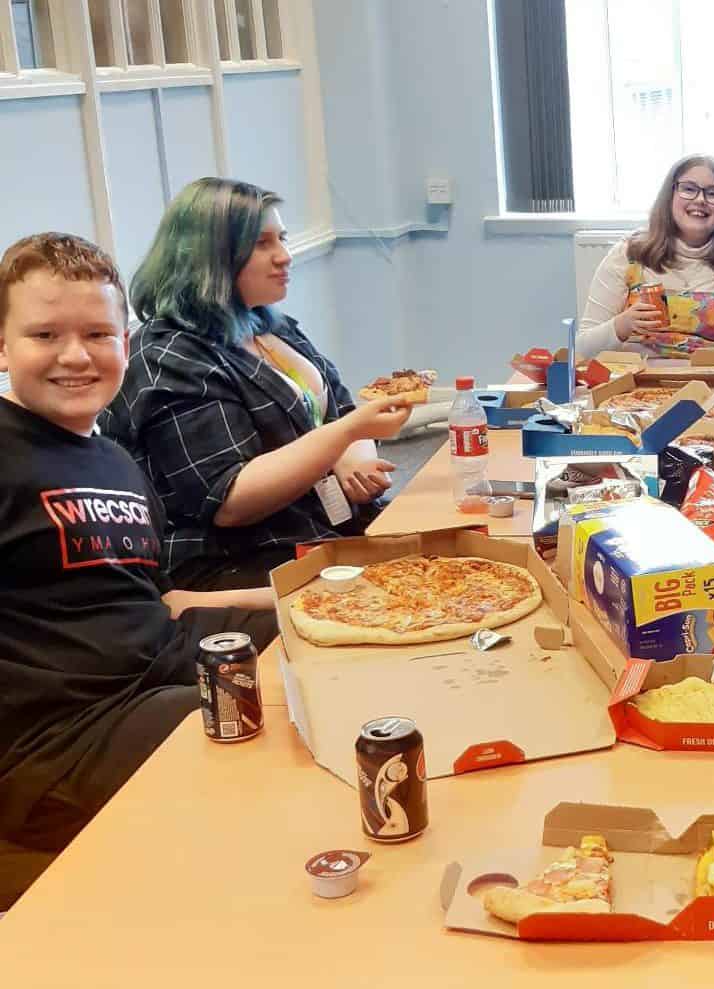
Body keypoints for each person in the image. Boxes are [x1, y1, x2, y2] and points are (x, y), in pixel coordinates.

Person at [0, 233, 280, 910]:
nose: (75, 355)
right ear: (3, 345)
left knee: (312, 639)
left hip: (153, 666)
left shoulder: (113, 460)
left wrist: (292, 601)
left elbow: (157, 598)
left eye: (97, 332)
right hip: (61, 736)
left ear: (124, 339)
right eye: (45, 333)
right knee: (240, 726)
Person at [101, 178, 410, 591]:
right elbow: (230, 501)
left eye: (281, 238)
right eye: (262, 244)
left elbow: (340, 408)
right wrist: (344, 438)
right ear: (209, 257)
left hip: (319, 532)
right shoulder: (169, 356)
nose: (284, 256)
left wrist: (355, 453)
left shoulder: (267, 323)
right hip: (237, 565)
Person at [576, 155, 714, 361]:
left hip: (713, 387)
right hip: (635, 388)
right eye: (688, 189)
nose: (700, 200)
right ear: (670, 195)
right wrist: (621, 325)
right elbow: (581, 351)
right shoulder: (628, 254)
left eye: (713, 193)